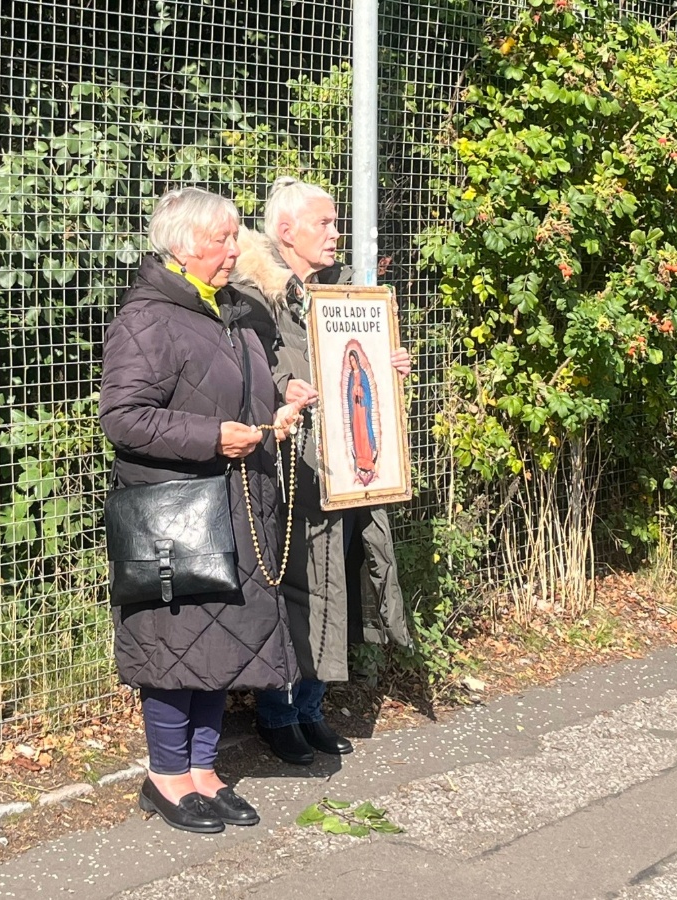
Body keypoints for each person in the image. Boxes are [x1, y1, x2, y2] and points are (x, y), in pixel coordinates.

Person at [99, 187, 309, 832]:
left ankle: (205, 771)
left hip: (239, 502)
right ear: (187, 244)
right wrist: (211, 437)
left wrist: (282, 393)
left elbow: (235, 386)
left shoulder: (231, 311)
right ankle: (166, 777)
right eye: (224, 237)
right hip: (181, 512)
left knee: (225, 640)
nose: (235, 248)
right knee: (176, 643)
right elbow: (123, 417)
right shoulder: (147, 318)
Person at [229, 176, 413, 766]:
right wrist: (284, 387)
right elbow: (246, 371)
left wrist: (390, 364)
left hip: (344, 461)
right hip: (288, 463)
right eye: (326, 223)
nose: (337, 233)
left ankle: (311, 709)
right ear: (287, 232)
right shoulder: (256, 297)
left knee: (336, 579)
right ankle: (277, 713)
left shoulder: (342, 297)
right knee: (295, 583)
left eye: (337, 222)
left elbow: (356, 374)